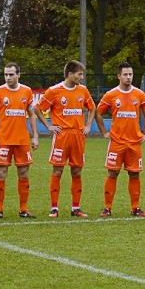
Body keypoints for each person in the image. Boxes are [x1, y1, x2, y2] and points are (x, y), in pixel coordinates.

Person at [34, 60, 96, 218]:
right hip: (62, 136)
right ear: (70, 74)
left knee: (76, 171)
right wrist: (49, 126)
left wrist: (88, 125)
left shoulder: (83, 90)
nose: (81, 77)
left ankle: (76, 207)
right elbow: (37, 109)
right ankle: (54, 208)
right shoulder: (54, 91)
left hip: (78, 135)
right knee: (58, 170)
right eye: (79, 74)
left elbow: (92, 107)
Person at [94, 62, 145, 218]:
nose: (128, 77)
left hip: (134, 142)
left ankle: (135, 208)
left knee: (134, 174)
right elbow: (98, 113)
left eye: (131, 74)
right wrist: (104, 132)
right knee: (112, 173)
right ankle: (107, 208)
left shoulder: (139, 94)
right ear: (119, 76)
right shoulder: (111, 95)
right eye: (125, 74)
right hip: (117, 142)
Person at [0, 63, 39, 219]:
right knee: (1, 173)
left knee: (23, 174)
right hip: (3, 140)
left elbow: (31, 114)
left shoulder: (26, 91)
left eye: (11, 74)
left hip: (22, 141)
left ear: (18, 74)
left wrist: (35, 135)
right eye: (6, 75)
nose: (8, 77)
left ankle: (23, 209)